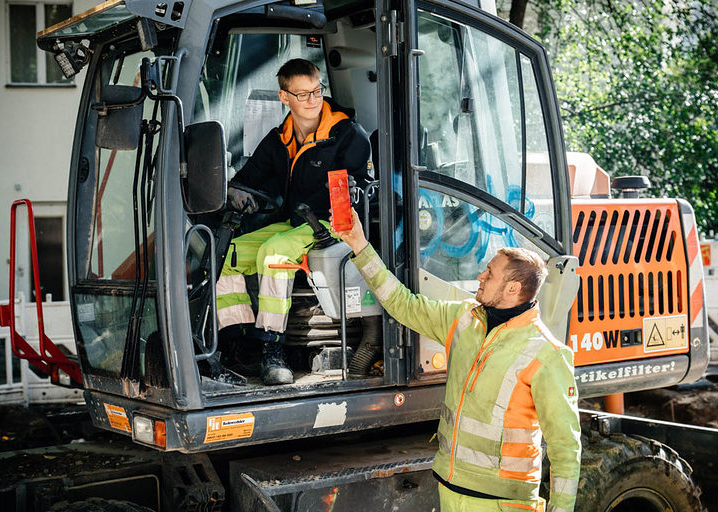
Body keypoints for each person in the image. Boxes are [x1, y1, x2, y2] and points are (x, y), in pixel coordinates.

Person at [333, 209, 581, 512]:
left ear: (513, 289)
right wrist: (359, 245)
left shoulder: (547, 355)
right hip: (451, 489)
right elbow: (401, 303)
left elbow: (565, 447)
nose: (480, 276)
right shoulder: (464, 319)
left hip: (503, 503)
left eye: (490, 273)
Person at [215, 59, 372, 386]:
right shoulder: (279, 138)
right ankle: (238, 342)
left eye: (317, 91)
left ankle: (273, 347)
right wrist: (236, 192)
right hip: (292, 222)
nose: (313, 100)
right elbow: (248, 178)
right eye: (302, 95)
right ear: (284, 97)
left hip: (332, 223)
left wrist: (337, 213)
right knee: (227, 254)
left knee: (274, 253)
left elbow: (356, 191)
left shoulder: (345, 134)